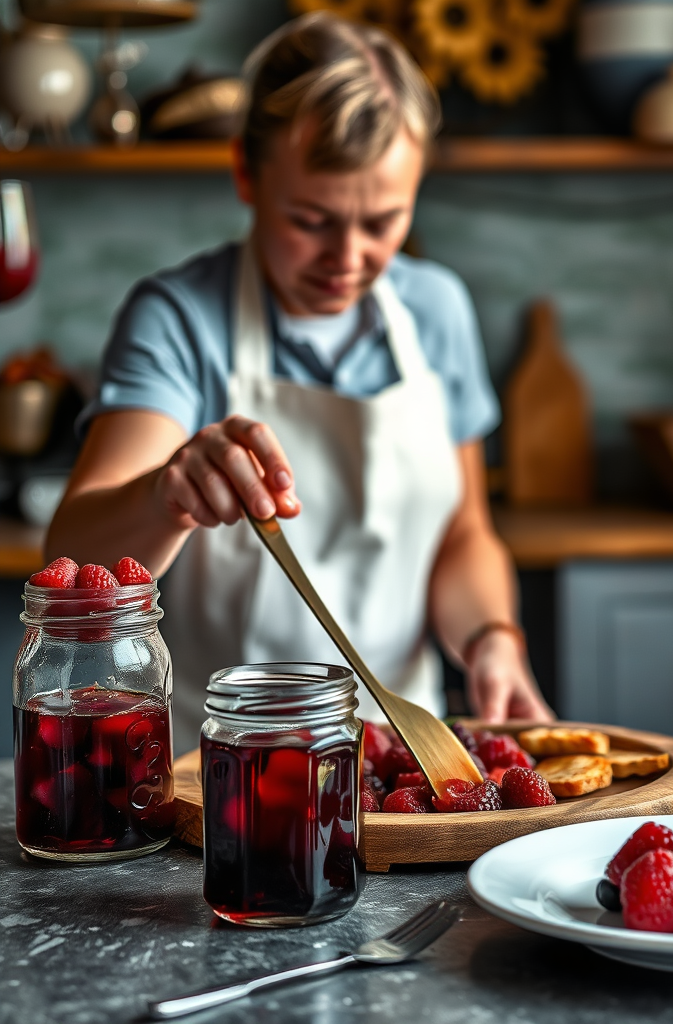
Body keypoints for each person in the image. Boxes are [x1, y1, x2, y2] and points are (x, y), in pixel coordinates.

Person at [47, 12, 553, 749]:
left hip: (400, 755)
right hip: (217, 764)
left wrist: (491, 639)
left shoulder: (435, 309)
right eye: (311, 220)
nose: (347, 256)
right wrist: (167, 494)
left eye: (383, 222)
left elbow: (463, 533)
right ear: (246, 174)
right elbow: (76, 557)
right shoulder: (181, 318)